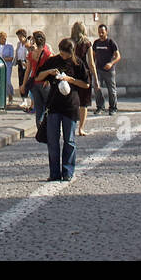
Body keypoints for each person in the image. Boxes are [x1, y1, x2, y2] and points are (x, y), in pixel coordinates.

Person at [36, 38, 91, 182]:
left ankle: (68, 171)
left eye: (66, 53)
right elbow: (38, 76)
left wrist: (70, 80)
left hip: (70, 105)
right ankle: (54, 173)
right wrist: (49, 71)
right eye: (61, 52)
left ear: (71, 52)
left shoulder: (78, 63)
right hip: (53, 105)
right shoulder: (53, 60)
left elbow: (86, 84)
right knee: (53, 142)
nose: (63, 55)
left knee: (70, 141)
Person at [69, 21, 96, 136]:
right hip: (84, 75)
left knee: (71, 101)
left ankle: (71, 126)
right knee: (83, 103)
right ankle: (81, 128)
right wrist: (96, 79)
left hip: (71, 74)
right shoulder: (87, 43)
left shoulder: (69, 43)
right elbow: (91, 63)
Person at [91, 24, 120, 114]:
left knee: (111, 90)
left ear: (106, 32)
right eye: (99, 32)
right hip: (98, 70)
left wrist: (111, 63)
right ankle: (100, 107)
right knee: (97, 88)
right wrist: (92, 67)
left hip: (109, 71)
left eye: (102, 32)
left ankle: (113, 108)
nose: (101, 34)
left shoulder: (111, 42)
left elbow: (118, 56)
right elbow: (93, 56)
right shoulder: (96, 43)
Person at [26, 32, 52, 122]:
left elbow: (28, 70)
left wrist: (24, 84)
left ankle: (39, 131)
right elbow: (52, 69)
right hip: (45, 83)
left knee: (38, 109)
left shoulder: (31, 54)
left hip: (34, 83)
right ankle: (48, 129)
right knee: (48, 107)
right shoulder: (47, 54)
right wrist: (49, 81)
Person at [0, 31, 15, 100]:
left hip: (7, 65)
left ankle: (10, 94)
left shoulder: (10, 46)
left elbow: (11, 58)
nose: (4, 40)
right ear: (0, 38)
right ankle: (1, 97)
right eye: (3, 38)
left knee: (7, 81)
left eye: (5, 38)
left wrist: (1, 59)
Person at [15, 29, 30, 100]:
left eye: (20, 36)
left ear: (24, 36)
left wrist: (27, 62)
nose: (19, 38)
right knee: (21, 80)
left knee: (26, 81)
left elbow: (30, 54)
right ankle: (23, 99)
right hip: (20, 63)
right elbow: (17, 53)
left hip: (27, 63)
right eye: (18, 37)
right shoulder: (19, 44)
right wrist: (15, 62)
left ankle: (26, 98)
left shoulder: (28, 44)